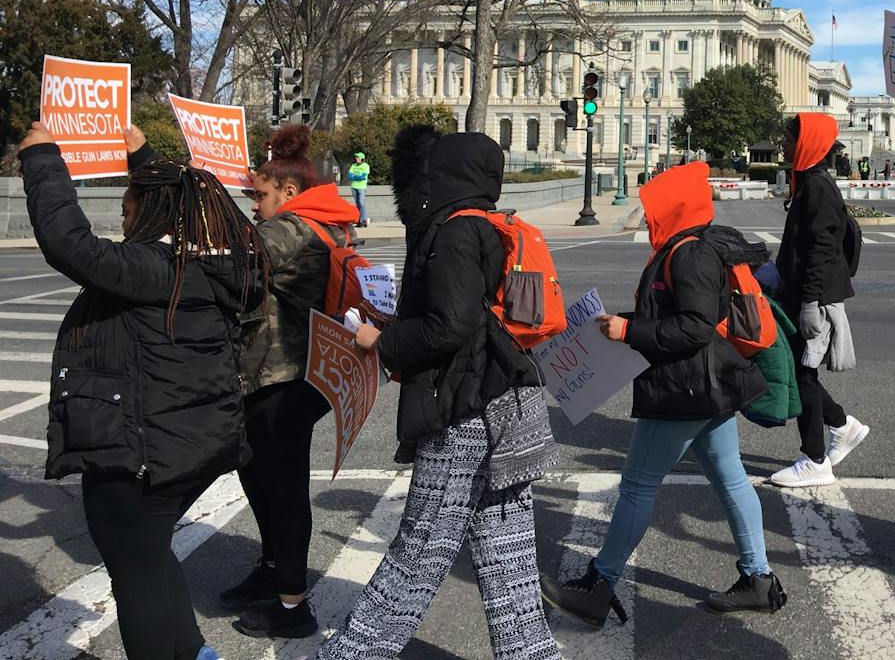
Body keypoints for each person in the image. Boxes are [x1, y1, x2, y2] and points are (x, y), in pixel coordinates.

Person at [18, 121, 265, 660]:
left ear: (150, 213)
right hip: (191, 444)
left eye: (128, 206)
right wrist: (143, 157)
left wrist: (42, 160)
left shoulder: (156, 269)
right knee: (149, 559)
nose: (122, 214)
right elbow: (172, 195)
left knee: (135, 572)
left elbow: (70, 245)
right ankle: (196, 654)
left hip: (144, 453)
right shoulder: (214, 265)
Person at [316, 126, 560, 660]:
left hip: (466, 411)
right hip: (510, 405)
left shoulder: (452, 231)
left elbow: (450, 326)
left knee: (420, 549)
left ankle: (352, 654)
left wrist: (382, 340)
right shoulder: (492, 226)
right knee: (507, 553)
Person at [542, 162, 786, 623]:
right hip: (709, 384)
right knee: (730, 478)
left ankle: (600, 585)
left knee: (637, 485)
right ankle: (758, 579)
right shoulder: (692, 246)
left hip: (686, 386)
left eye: (654, 205)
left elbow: (693, 327)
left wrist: (629, 329)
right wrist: (625, 326)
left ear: (673, 206)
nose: (648, 213)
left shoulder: (689, 253)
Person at [221, 125, 358, 639]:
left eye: (260, 196)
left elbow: (231, 258)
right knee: (260, 478)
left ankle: (293, 606)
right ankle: (273, 570)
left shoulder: (293, 230)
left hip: (282, 377)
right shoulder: (323, 224)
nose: (255, 205)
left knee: (282, 490)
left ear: (290, 193)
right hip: (289, 375)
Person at [767, 113, 869, 487]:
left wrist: (809, 301)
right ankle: (842, 425)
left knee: (800, 374)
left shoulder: (817, 189)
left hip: (814, 297)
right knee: (799, 371)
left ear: (807, 141)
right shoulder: (810, 183)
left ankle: (815, 459)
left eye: (789, 136)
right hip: (803, 292)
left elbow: (821, 250)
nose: (783, 142)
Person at [347, 151, 371, 227]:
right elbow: (349, 176)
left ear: (362, 158)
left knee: (361, 203)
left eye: (358, 157)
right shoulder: (353, 165)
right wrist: (357, 177)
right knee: (357, 204)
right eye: (356, 157)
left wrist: (355, 177)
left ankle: (363, 220)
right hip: (354, 186)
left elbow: (363, 177)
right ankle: (359, 220)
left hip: (361, 187)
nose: (356, 158)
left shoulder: (365, 166)